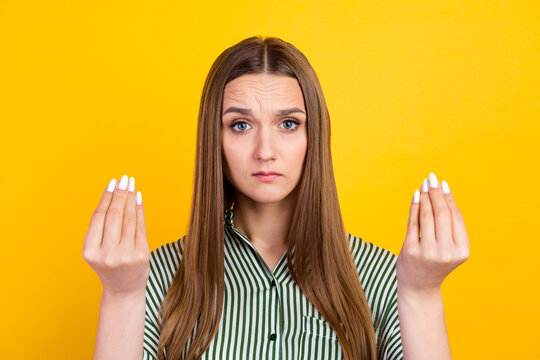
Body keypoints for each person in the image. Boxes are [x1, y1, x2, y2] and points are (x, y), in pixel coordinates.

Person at [83, 36, 470, 360]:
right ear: (213, 141)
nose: (265, 150)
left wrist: (423, 293)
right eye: (240, 124)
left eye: (288, 123)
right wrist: (120, 296)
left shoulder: (385, 278)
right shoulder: (155, 279)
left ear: (312, 137)